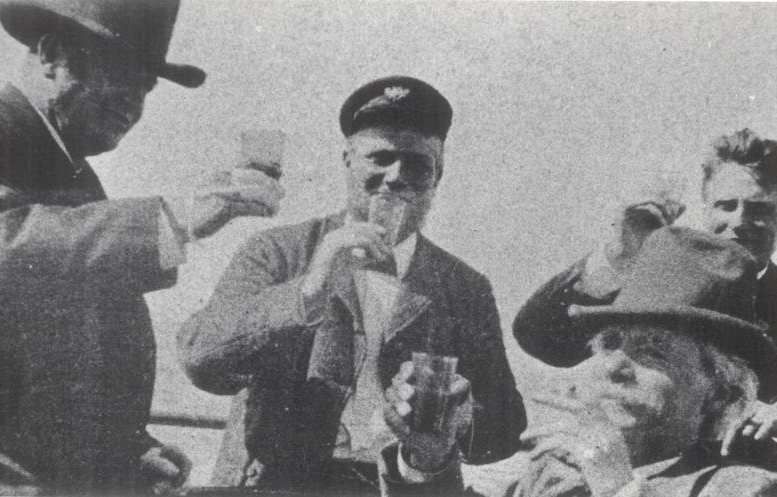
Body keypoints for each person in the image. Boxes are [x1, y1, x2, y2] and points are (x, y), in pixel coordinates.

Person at [0, 0, 283, 494]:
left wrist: (126, 450)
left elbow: (76, 350)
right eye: (122, 74)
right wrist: (173, 220)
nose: (134, 102)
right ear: (50, 54)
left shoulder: (69, 178)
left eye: (146, 87)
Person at [178, 76, 526, 492]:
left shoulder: (464, 286)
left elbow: (507, 429)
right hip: (276, 484)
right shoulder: (277, 251)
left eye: (417, 164)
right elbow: (200, 360)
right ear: (347, 159)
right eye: (380, 158)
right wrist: (310, 288)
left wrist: (462, 416)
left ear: (438, 175)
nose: (396, 176)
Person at [512, 129, 777, 496]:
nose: (739, 220)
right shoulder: (660, 284)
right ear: (706, 209)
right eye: (726, 205)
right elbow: (541, 335)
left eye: (759, 210)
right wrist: (619, 256)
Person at [381, 226, 777, 497]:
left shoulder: (749, 489)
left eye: (653, 351)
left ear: (719, 393)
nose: (616, 366)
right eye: (611, 343)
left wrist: (618, 489)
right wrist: (429, 459)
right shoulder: (548, 478)